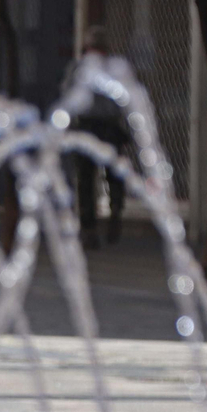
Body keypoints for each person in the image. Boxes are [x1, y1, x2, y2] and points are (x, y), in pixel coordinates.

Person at [71, 26, 127, 249]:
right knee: (107, 177)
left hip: (91, 127)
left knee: (88, 179)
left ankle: (92, 227)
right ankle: (107, 219)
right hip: (106, 127)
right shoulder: (114, 69)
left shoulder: (80, 69)